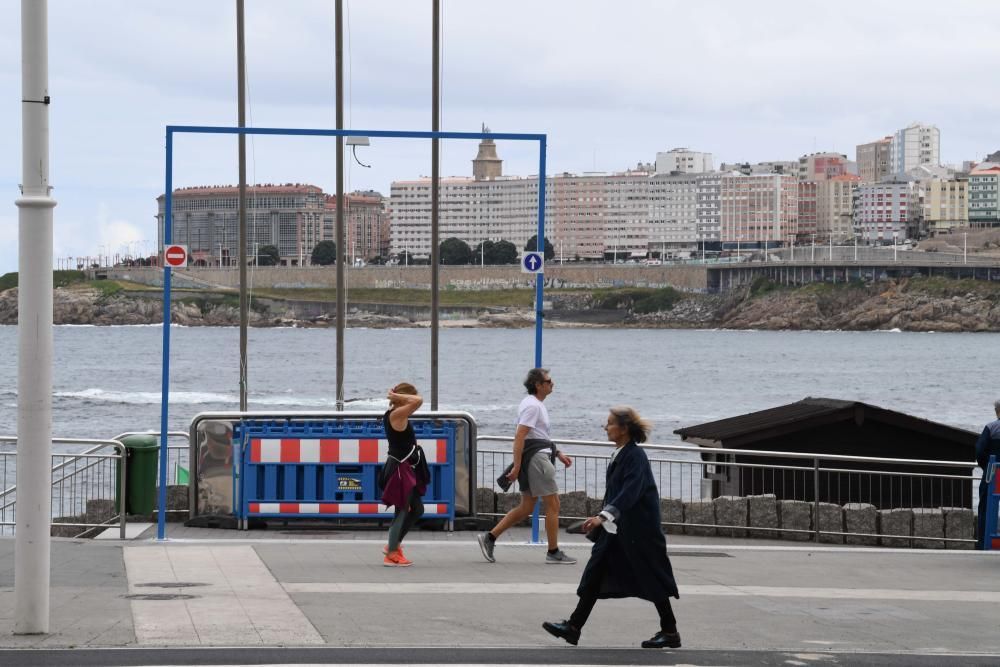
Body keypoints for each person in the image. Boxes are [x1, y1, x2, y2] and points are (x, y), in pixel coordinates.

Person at [543, 406, 681, 649]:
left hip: (639, 532)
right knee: (595, 573)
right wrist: (602, 517)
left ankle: (670, 631)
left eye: (609, 423)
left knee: (652, 577)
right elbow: (618, 493)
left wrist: (604, 516)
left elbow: (631, 492)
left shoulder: (635, 456)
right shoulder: (621, 454)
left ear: (624, 429)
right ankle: (573, 627)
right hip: (618, 530)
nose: (605, 428)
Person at [477, 368, 577, 565]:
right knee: (553, 504)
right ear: (538, 385)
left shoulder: (534, 404)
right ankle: (553, 551)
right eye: (548, 381)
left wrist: (557, 453)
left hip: (537, 456)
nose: (552, 383)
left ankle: (490, 537)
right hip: (537, 460)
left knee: (527, 506)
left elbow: (538, 437)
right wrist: (516, 467)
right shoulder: (533, 406)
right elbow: (520, 436)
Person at [379, 382, 429, 567]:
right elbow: (419, 401)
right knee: (402, 510)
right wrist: (399, 397)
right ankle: (391, 554)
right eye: (409, 397)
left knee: (417, 509)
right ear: (403, 399)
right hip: (400, 469)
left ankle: (394, 545)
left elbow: (416, 401)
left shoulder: (398, 414)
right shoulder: (397, 414)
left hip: (407, 467)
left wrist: (399, 397)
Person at [975, 400, 1000, 550]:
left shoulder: (991, 427)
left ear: (997, 411)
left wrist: (987, 467)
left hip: (992, 474)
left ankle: (983, 543)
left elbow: (979, 450)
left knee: (985, 506)